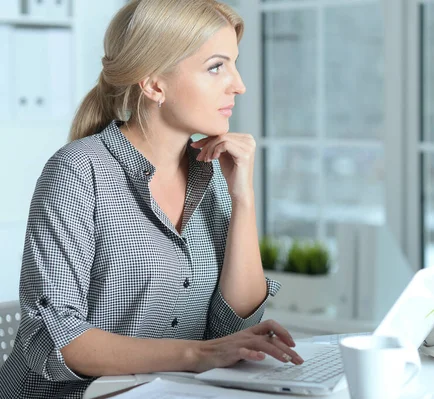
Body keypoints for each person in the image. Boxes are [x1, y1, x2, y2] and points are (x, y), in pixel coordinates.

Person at [0, 1, 303, 397]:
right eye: (217, 67)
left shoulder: (211, 175)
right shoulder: (78, 171)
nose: (238, 84)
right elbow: (55, 335)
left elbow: (231, 330)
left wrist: (242, 196)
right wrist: (196, 355)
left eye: (234, 64)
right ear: (155, 84)